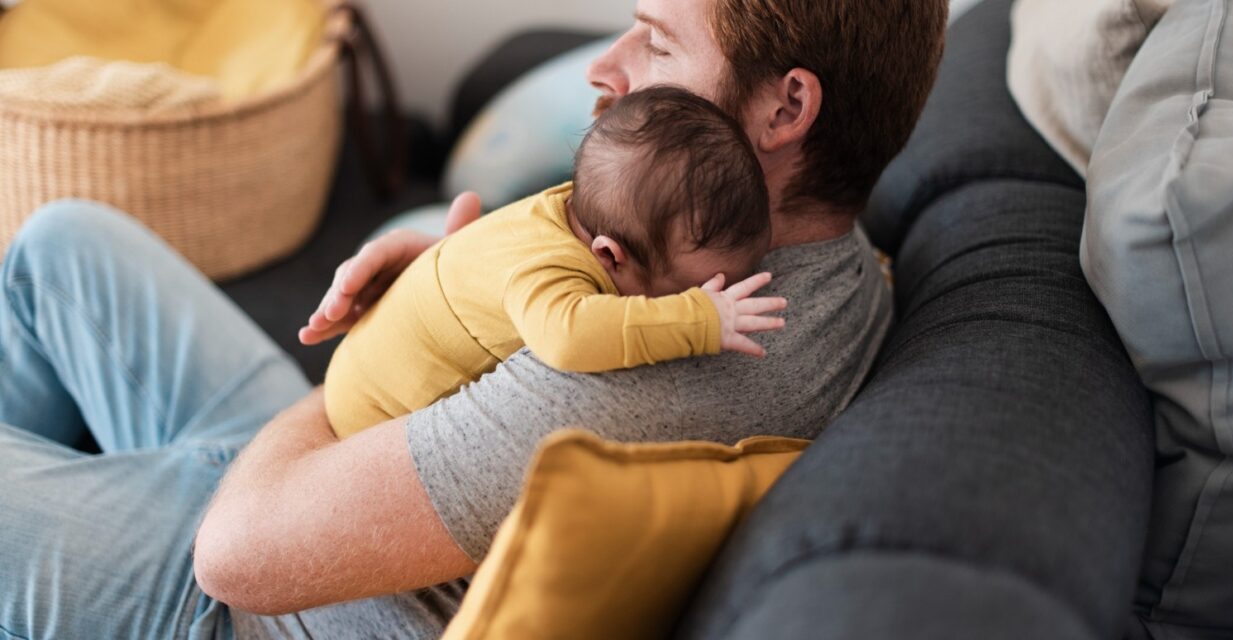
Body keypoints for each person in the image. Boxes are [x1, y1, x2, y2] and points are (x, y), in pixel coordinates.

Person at [0, 1, 947, 638]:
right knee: (60, 245)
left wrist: (384, 341)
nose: (609, 72)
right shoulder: (837, 267)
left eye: (657, 43)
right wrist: (447, 286)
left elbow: (237, 556)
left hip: (268, 589)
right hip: (353, 477)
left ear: (788, 106)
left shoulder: (658, 355)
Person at [325, 87, 784, 438]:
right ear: (609, 255)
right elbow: (570, 336)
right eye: (693, 288)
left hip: (362, 360)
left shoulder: (572, 207)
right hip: (369, 414)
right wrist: (699, 319)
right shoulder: (553, 271)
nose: (716, 296)